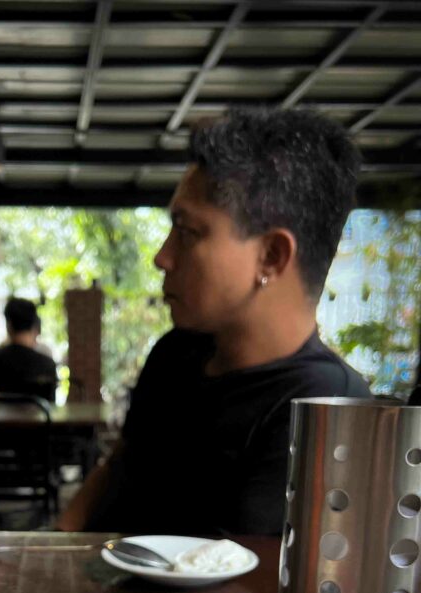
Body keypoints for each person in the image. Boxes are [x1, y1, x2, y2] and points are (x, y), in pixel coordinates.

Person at [57, 106, 371, 536]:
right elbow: (120, 466)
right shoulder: (176, 352)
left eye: (188, 233)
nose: (162, 257)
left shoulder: (327, 407)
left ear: (271, 256)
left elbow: (257, 585)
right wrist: (49, 551)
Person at [0, 298, 58, 401]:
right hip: (36, 416)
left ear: (9, 325)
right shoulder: (47, 365)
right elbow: (51, 405)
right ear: (34, 325)